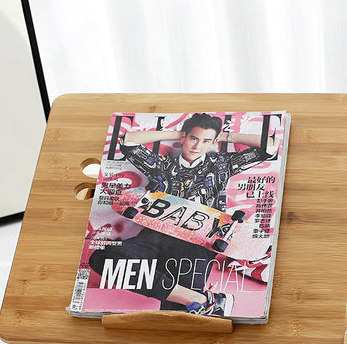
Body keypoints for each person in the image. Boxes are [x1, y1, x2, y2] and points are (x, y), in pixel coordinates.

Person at [89, 113, 276, 316]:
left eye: (206, 141)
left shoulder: (221, 164)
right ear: (184, 137)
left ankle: (190, 299)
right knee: (102, 258)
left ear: (213, 142)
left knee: (178, 314)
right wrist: (178, 133)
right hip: (154, 237)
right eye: (193, 138)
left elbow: (269, 146)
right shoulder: (161, 164)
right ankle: (201, 299)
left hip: (197, 243)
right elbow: (127, 141)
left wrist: (222, 137)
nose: (197, 146)